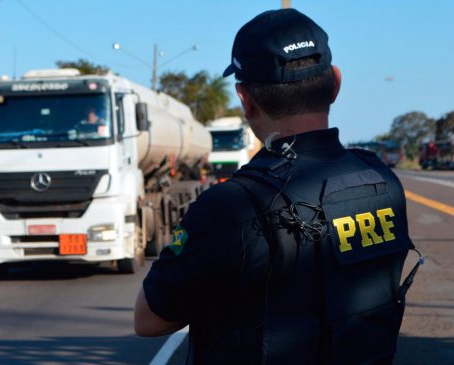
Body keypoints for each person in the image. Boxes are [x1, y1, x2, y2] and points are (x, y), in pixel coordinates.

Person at [135, 8, 420, 364]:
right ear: (335, 83)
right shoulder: (381, 181)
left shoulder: (229, 207)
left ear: (245, 100)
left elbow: (148, 319)